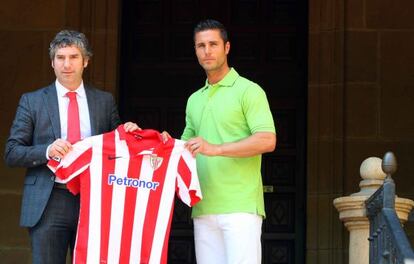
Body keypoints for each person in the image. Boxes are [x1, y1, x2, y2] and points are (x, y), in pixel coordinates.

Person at [4, 30, 140, 264]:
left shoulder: (104, 101)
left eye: (74, 57)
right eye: (60, 57)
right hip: (49, 201)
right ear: (52, 63)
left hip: (94, 198)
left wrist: (130, 133)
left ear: (86, 61)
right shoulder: (32, 101)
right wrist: (47, 150)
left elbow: (117, 147)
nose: (67, 64)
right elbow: (12, 152)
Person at [182, 19, 277, 264]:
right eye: (201, 45)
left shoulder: (249, 90)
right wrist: (147, 139)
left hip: (240, 207)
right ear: (195, 50)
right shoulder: (194, 99)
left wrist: (216, 149)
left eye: (213, 44)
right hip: (203, 206)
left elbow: (267, 140)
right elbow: (183, 148)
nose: (207, 50)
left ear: (227, 47)